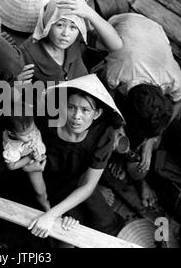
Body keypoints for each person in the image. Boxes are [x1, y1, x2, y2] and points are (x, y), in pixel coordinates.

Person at [99, 13, 181, 208]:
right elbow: (109, 95)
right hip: (122, 23)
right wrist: (116, 125)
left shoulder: (173, 78)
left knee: (146, 150)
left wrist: (151, 140)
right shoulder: (117, 71)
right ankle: (123, 161)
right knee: (107, 130)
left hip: (154, 30)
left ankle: (132, 167)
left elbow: (179, 102)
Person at [28, 74, 125, 243]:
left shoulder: (103, 133)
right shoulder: (48, 120)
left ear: (97, 114)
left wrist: (51, 215)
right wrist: (50, 212)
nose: (76, 116)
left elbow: (88, 185)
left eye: (85, 110)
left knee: (103, 223)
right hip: (47, 181)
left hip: (81, 182)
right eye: (71, 107)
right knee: (62, 230)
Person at [16, 0, 123, 84]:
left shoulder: (77, 39)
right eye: (60, 25)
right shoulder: (26, 54)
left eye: (73, 27)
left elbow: (116, 45)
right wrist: (15, 86)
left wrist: (89, 13)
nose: (66, 33)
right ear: (47, 22)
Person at [2, 115, 49, 211]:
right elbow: (11, 166)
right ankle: (46, 204)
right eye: (26, 135)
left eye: (33, 130)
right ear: (12, 134)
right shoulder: (12, 148)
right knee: (40, 190)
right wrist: (29, 158)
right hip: (30, 163)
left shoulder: (26, 124)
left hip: (38, 151)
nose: (31, 135)